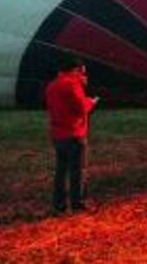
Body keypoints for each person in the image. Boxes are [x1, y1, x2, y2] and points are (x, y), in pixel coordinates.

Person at [45, 56, 98, 214]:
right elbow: (81, 108)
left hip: (58, 134)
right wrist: (91, 102)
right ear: (76, 69)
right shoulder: (72, 85)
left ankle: (59, 204)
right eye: (83, 72)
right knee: (78, 170)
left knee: (61, 171)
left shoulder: (52, 85)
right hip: (74, 133)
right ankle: (78, 202)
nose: (84, 75)